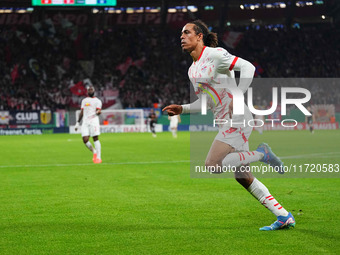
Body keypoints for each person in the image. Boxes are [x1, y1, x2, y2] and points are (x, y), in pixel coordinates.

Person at [162, 20, 295, 231]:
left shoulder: (214, 55)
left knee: (212, 165)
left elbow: (248, 67)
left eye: (187, 32)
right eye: (181, 34)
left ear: (199, 37)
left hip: (238, 116)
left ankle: (262, 153)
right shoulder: (192, 70)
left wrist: (238, 93)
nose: (182, 36)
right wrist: (183, 109)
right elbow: (207, 101)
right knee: (243, 177)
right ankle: (283, 216)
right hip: (226, 121)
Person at [75, 85, 102, 164]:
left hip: (94, 121)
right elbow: (82, 112)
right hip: (85, 122)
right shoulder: (84, 100)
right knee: (85, 140)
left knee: (95, 138)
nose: (90, 91)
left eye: (91, 89)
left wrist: (98, 112)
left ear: (94, 91)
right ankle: (94, 151)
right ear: (87, 92)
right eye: (89, 90)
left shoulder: (97, 101)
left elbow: (98, 111)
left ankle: (98, 157)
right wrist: (77, 123)